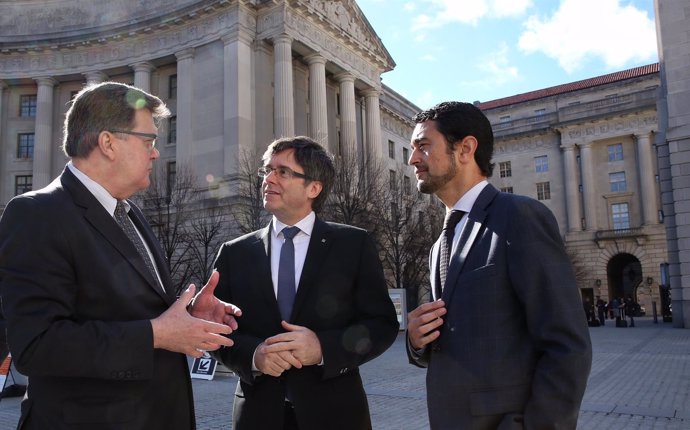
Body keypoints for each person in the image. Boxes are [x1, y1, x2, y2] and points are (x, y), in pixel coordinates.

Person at [0, 82, 241, 430]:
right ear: (108, 143)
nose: (156, 153)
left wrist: (187, 315)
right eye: (148, 141)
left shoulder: (129, 212)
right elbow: (37, 345)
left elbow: (124, 308)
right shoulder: (36, 213)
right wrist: (156, 334)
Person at [405, 101, 592, 429]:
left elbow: (567, 346)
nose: (412, 159)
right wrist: (417, 341)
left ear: (465, 148)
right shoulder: (439, 246)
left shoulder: (518, 216)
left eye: (422, 146)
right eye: (411, 149)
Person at [212, 136, 399, 430]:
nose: (268, 179)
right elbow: (218, 331)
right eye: (266, 170)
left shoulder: (353, 244)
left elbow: (381, 324)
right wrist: (253, 356)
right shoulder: (235, 252)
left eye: (282, 172)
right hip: (258, 417)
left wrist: (323, 348)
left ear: (313, 187)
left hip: (336, 415)